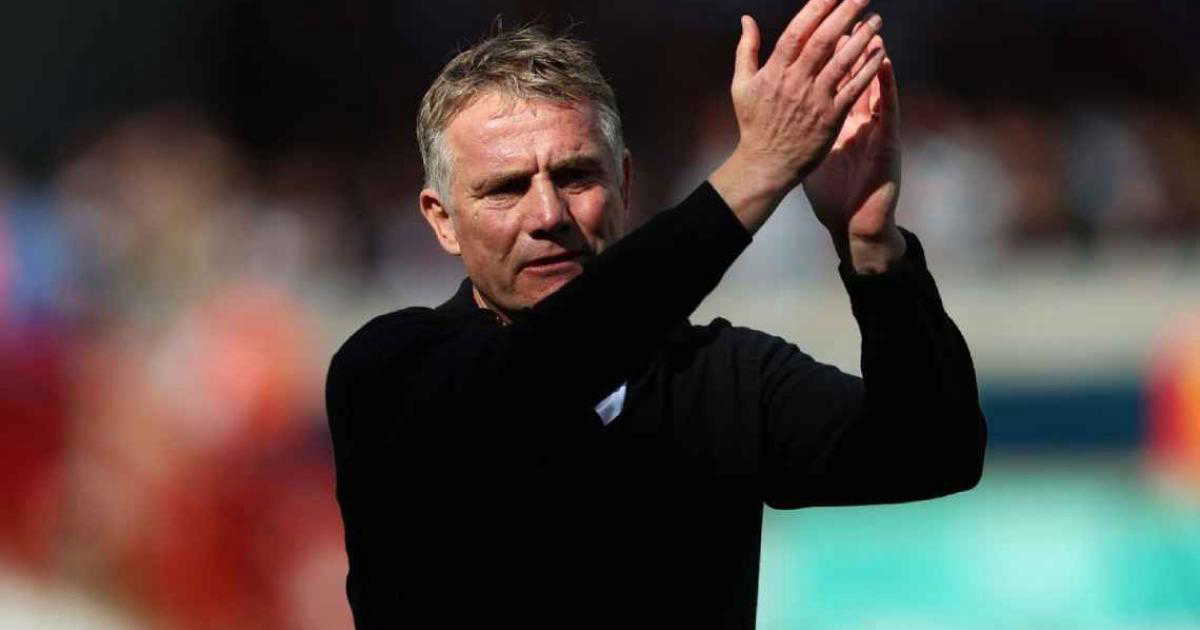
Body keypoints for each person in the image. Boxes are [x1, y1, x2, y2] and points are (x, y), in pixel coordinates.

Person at [325, 1, 986, 628]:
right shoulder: (389, 372)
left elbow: (934, 451)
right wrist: (758, 168)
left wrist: (873, 249)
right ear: (442, 219)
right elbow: (550, 366)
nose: (548, 215)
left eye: (576, 176)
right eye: (506, 189)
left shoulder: (720, 375)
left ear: (625, 184)